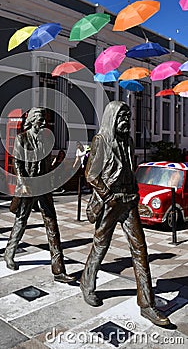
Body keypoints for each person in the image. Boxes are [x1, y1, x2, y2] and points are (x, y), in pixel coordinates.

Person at [80, 101, 171, 327]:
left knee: (140, 249)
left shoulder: (128, 141)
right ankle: (87, 282)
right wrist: (108, 196)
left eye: (128, 117)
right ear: (111, 117)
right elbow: (91, 175)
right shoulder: (101, 141)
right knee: (101, 245)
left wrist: (136, 193)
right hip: (110, 202)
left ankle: (147, 304)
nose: (126, 121)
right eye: (122, 116)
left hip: (129, 201)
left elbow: (129, 171)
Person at [4, 107, 75, 283]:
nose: (44, 123)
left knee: (52, 224)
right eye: (41, 120)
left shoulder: (45, 138)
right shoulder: (22, 138)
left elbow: (45, 163)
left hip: (43, 186)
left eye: (44, 120)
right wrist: (23, 183)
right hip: (28, 186)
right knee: (21, 221)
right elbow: (17, 162)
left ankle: (58, 269)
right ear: (33, 121)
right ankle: (9, 253)